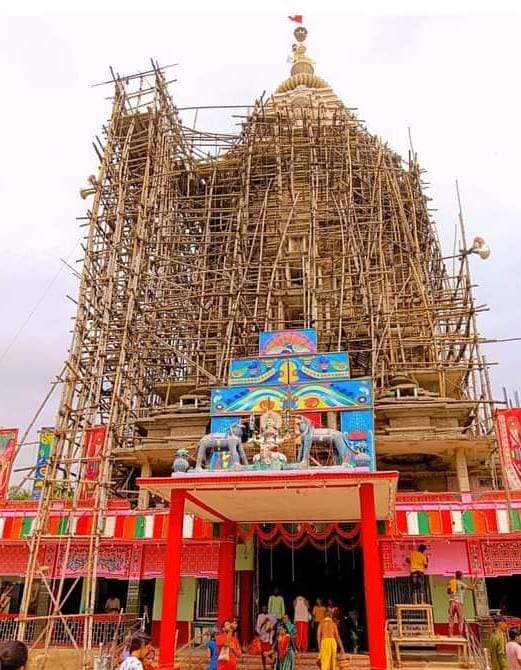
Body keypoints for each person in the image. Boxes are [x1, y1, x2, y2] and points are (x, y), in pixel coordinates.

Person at [447, 571, 475, 636]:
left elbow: (448, 592)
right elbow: (472, 589)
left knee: (451, 618)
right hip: (459, 603)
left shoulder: (451, 582)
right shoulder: (461, 584)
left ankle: (450, 634)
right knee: (460, 618)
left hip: (452, 602)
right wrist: (474, 583)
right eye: (462, 575)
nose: (463, 577)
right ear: (460, 576)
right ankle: (460, 634)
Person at [256, 606, 276, 670]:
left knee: (271, 653)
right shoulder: (260, 616)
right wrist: (264, 622)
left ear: (267, 609)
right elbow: (258, 627)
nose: (264, 610)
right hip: (263, 638)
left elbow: (274, 625)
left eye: (265, 609)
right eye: (263, 609)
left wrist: (271, 628)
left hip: (269, 638)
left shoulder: (272, 615)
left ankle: (272, 666)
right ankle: (264, 667)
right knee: (263, 654)